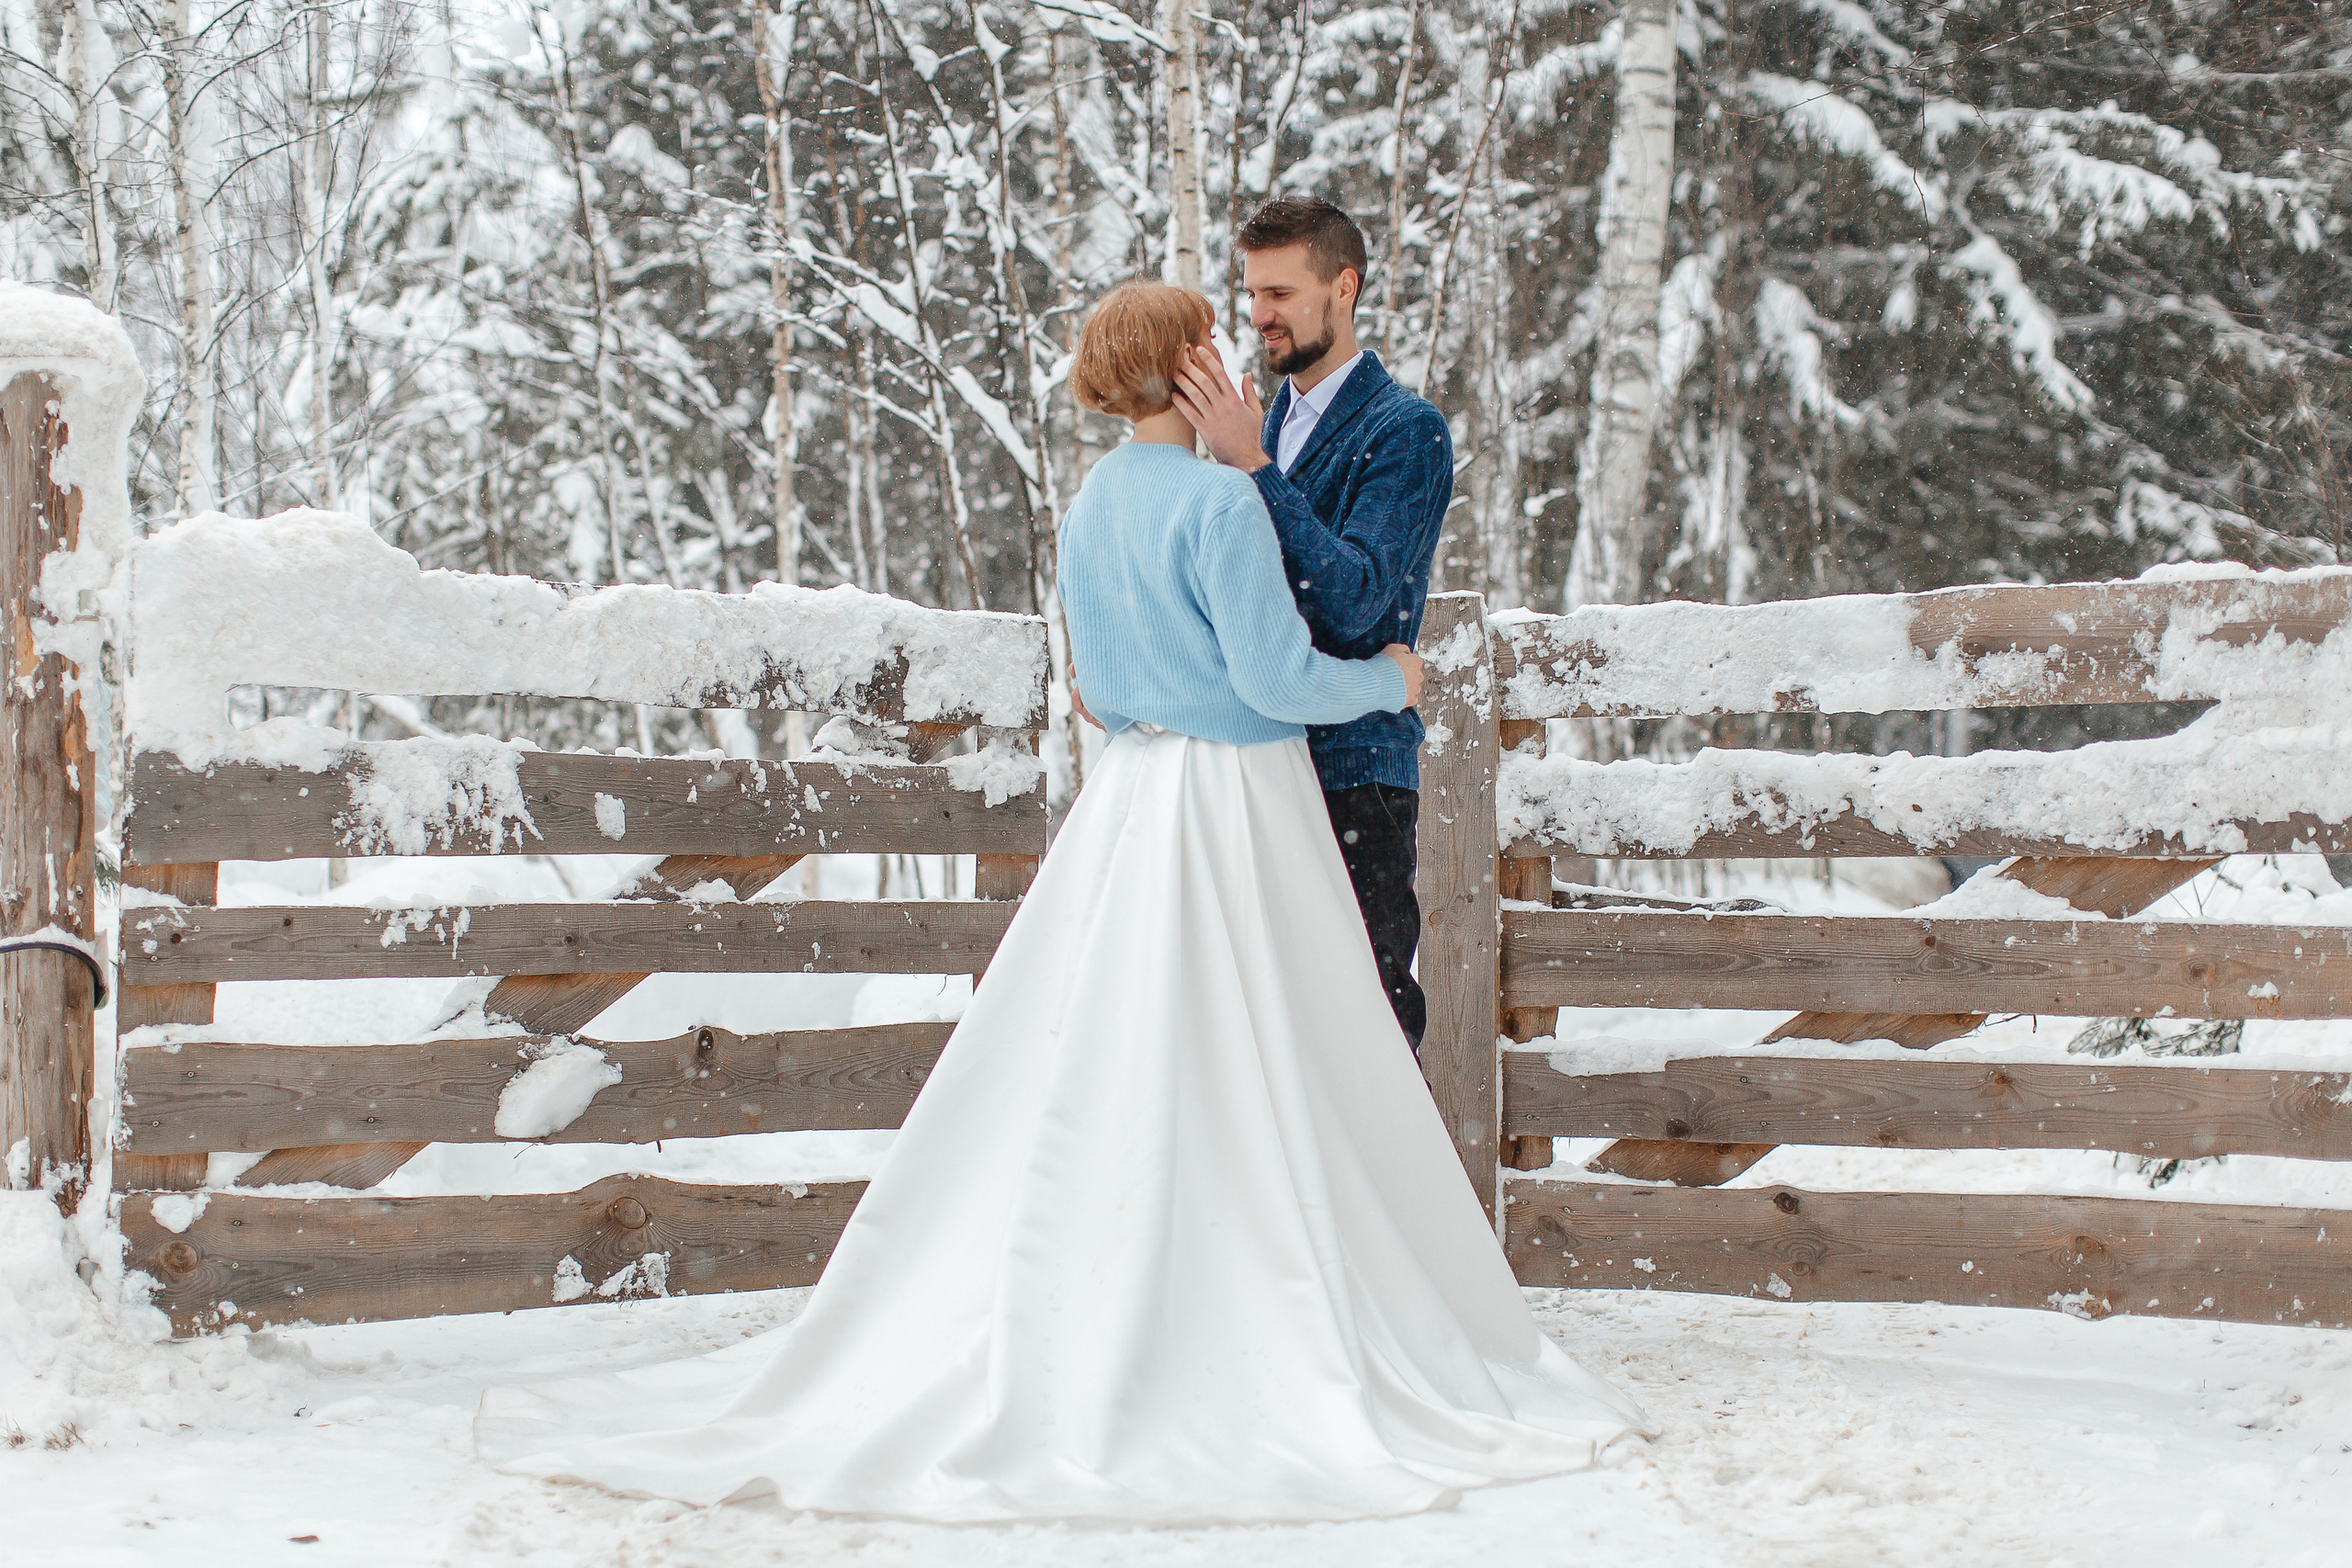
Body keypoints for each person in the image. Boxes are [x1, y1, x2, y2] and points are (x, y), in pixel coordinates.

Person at [476, 280, 1648, 1524]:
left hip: (1133, 796)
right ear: (1187, 369)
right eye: (1211, 343)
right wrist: (1391, 678)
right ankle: (1258, 1289)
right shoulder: (1218, 501)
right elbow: (1276, 679)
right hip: (1236, 802)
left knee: (1120, 1043)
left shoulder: (1092, 505)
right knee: (1268, 1040)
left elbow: (1094, 688)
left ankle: (1126, 1277)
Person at [1168, 197, 1453, 1051]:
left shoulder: (1406, 432)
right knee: (1263, 1038)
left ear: (1344, 287)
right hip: (1255, 768)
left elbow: (1356, 598)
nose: (1261, 315)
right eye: (1253, 293)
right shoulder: (1259, 425)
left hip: (1354, 774)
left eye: (1282, 293)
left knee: (1365, 1029)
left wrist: (1253, 466)